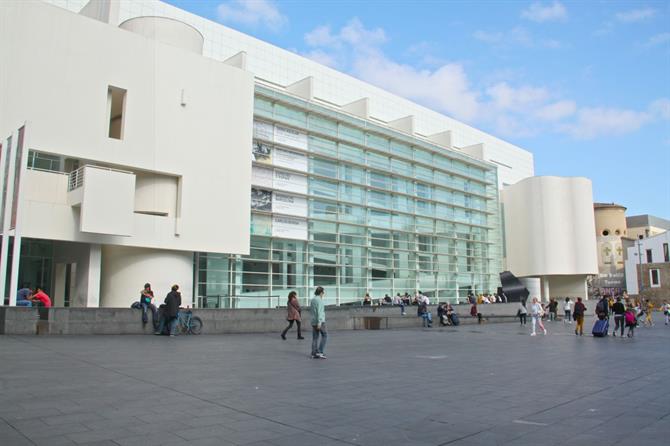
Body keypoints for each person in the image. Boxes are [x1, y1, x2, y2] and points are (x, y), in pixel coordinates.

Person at [310, 286, 327, 359]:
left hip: (313, 321)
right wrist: (319, 322)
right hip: (320, 321)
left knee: (315, 338)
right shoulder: (319, 300)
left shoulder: (313, 300)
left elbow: (312, 311)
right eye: (323, 292)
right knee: (325, 335)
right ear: (320, 292)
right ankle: (320, 352)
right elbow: (319, 312)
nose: (323, 294)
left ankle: (314, 353)